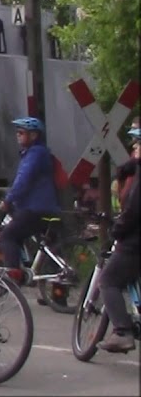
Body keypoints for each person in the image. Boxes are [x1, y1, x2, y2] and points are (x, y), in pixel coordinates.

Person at [0, 117, 60, 284]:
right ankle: (57, 288)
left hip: (35, 208)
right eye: (17, 132)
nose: (17, 135)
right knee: (47, 247)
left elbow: (23, 179)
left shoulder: (35, 153)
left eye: (21, 132)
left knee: (7, 235)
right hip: (45, 207)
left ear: (33, 135)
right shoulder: (38, 152)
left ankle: (14, 277)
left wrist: (8, 200)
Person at [97, 127, 140, 353]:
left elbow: (134, 210)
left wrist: (117, 230)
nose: (134, 147)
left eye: (138, 143)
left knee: (108, 281)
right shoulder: (136, 169)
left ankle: (122, 332)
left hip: (135, 241)